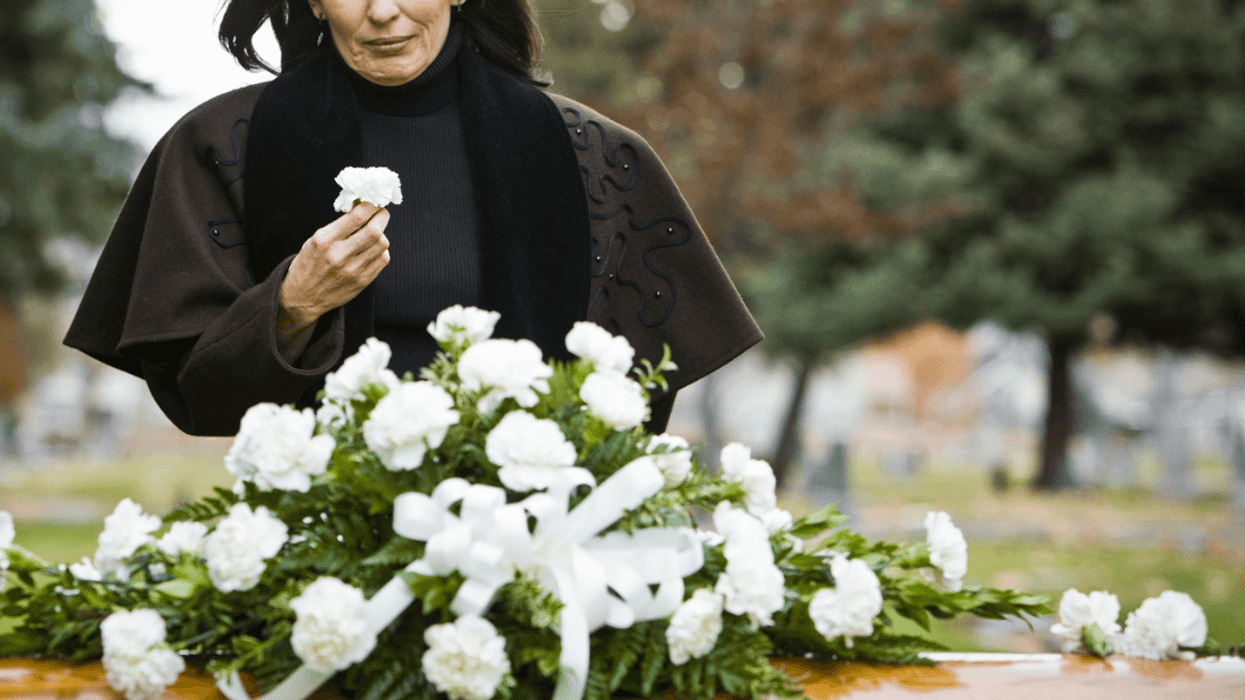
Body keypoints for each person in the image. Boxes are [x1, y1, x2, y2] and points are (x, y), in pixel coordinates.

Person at [64, 0, 762, 437]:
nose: (383, 11)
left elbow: (635, 401)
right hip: (319, 547)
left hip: (532, 552)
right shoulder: (221, 146)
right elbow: (199, 397)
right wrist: (289, 306)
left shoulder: (591, 155)